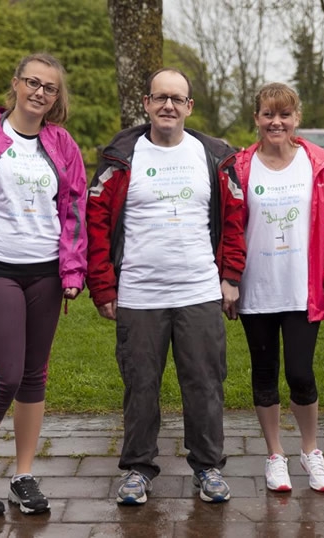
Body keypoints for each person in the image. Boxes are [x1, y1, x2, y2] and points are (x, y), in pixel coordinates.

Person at [86, 67, 245, 505]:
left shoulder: (213, 156)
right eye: (160, 98)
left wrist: (231, 276)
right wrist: (103, 286)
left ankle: (208, 468)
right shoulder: (122, 156)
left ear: (189, 106)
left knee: (205, 384)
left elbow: (234, 220)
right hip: (139, 295)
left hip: (199, 292)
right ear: (147, 104)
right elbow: (95, 224)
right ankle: (138, 470)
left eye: (177, 99)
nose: (168, 106)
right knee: (140, 386)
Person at [0, 53, 88, 517]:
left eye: (49, 87)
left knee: (33, 376)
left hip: (45, 272)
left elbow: (74, 211)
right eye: (32, 82)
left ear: (56, 96)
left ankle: (23, 475)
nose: (39, 92)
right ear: (16, 84)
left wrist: (71, 271)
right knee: (4, 376)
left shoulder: (62, 143)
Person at [234, 83, 324, 492]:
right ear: (257, 119)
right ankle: (275, 455)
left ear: (296, 119)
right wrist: (229, 280)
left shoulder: (317, 165)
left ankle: (310, 450)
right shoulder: (240, 168)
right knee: (264, 373)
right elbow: (230, 230)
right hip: (256, 289)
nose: (276, 122)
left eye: (284, 115)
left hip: (302, 291)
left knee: (301, 374)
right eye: (268, 114)